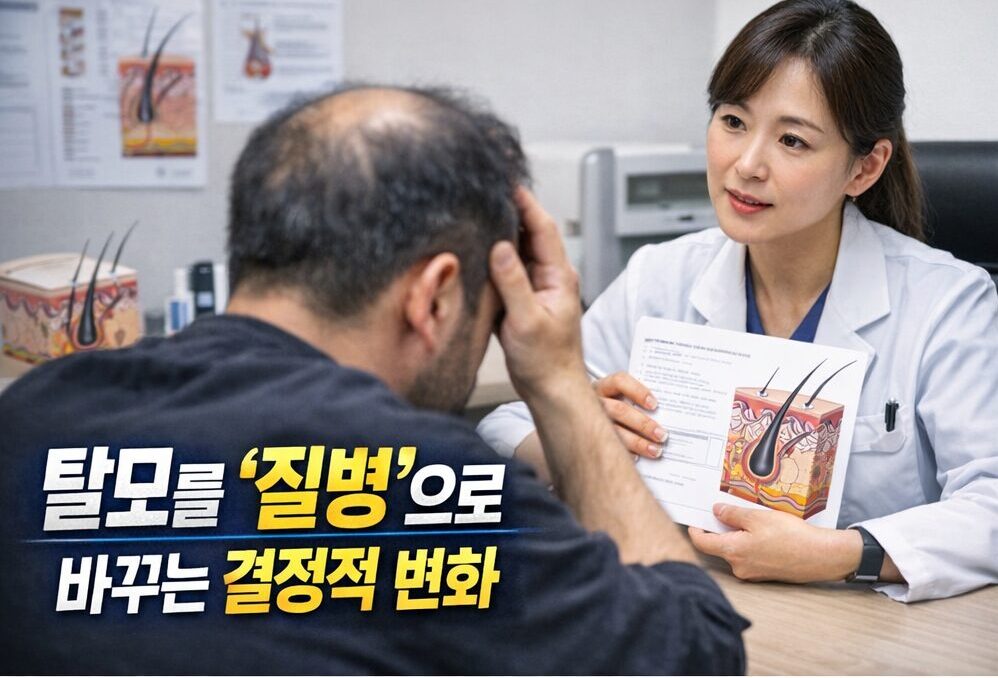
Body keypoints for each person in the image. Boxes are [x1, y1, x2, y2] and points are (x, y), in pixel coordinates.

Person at [0, 85, 747, 674]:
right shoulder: (424, 486)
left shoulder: (35, 414)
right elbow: (697, 653)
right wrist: (557, 380)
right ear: (434, 297)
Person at [479, 0, 998, 603]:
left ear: (865, 167)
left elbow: (991, 504)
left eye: (793, 141)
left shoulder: (947, 302)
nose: (746, 165)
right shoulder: (661, 276)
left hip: (861, 632)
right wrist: (580, 429)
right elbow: (503, 426)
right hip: (686, 600)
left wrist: (843, 553)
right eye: (732, 121)